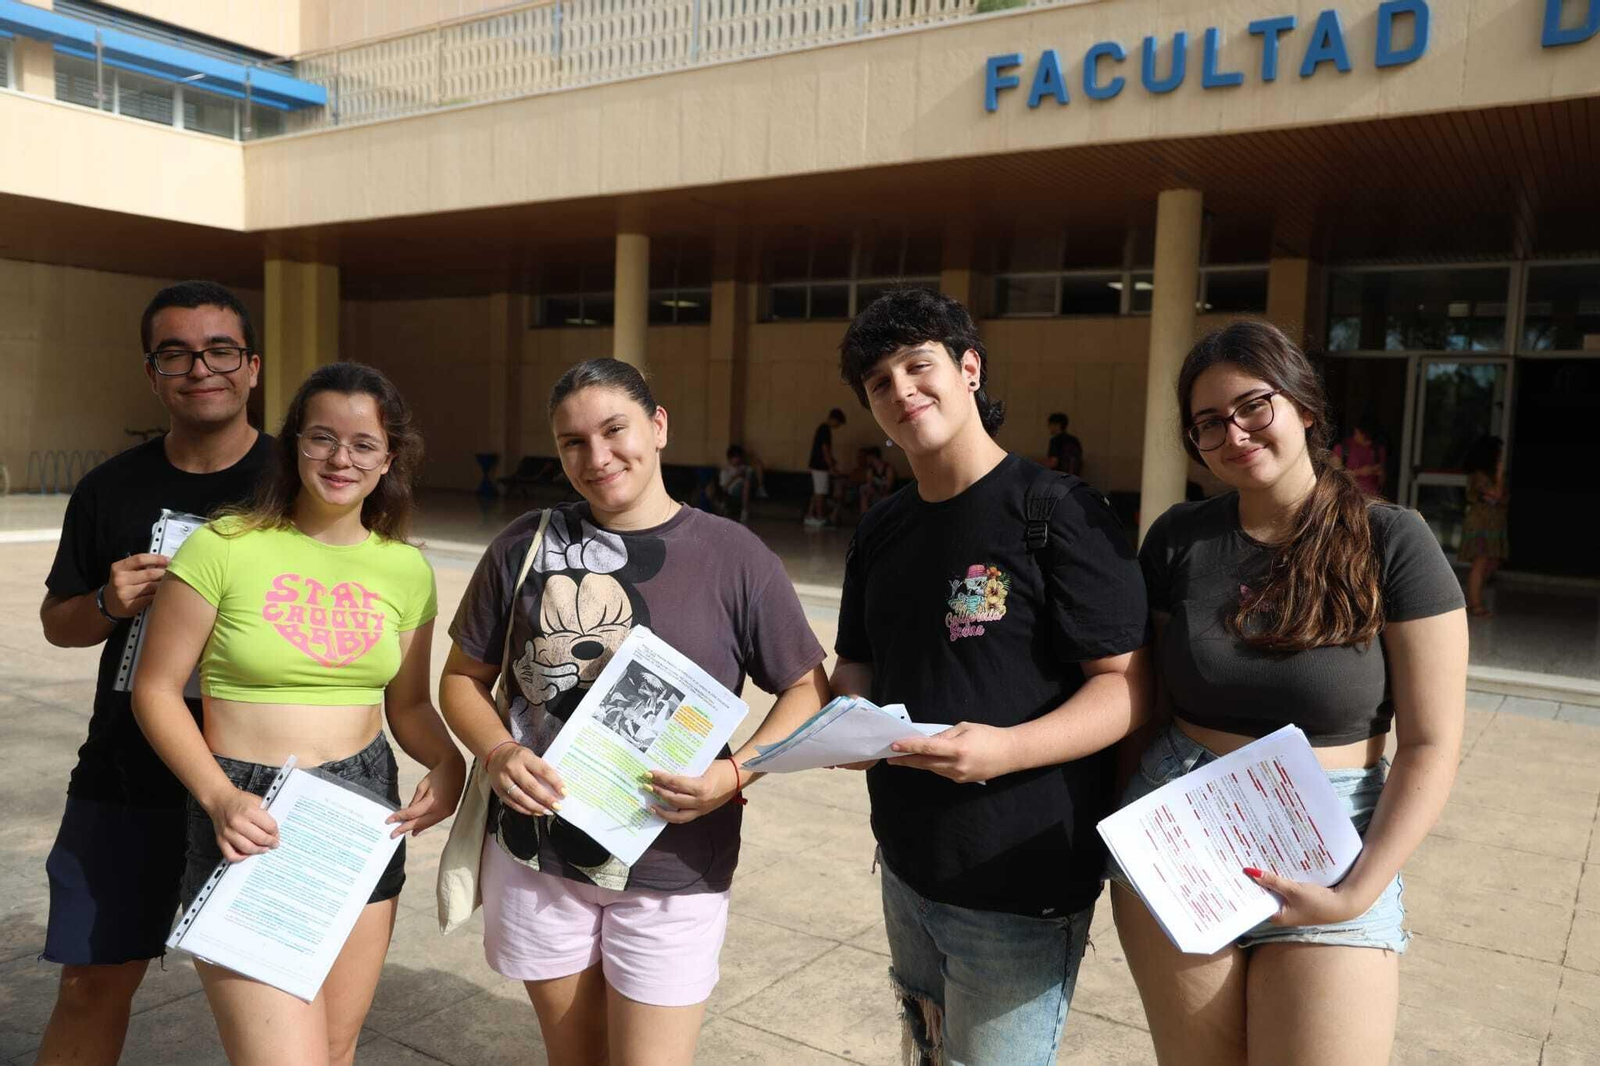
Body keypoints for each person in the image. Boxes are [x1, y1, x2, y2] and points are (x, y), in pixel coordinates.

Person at [438, 358, 830, 1066]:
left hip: (673, 867)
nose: (597, 457)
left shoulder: (734, 556)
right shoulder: (524, 545)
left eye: (614, 430)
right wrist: (496, 753)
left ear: (658, 427)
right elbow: (463, 678)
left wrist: (738, 772)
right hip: (540, 856)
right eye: (572, 443)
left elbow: (806, 689)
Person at [1110, 320, 1467, 1064]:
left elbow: (1432, 743)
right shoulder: (1178, 538)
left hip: (1333, 844)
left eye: (1252, 406)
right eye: (1209, 423)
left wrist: (1358, 891)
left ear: (1304, 406)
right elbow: (1145, 702)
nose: (1234, 433)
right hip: (1183, 828)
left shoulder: (1394, 541)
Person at [830, 289, 1152, 1064]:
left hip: (1018, 881)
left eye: (919, 366)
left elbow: (1130, 687)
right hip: (907, 863)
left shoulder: (1057, 511)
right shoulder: (882, 527)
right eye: (880, 383)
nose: (902, 391)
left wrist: (1005, 750)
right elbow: (857, 666)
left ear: (969, 368)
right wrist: (842, 723)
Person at [131, 362, 466, 1064]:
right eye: (321, 438)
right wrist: (219, 795)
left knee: (337, 1050)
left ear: (388, 460)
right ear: (293, 446)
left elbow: (406, 705)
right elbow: (155, 689)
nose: (341, 459)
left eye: (363, 444)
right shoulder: (223, 546)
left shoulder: (405, 570)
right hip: (246, 809)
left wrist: (448, 762)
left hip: (360, 809)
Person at [35, 281, 274, 1065]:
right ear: (152, 373)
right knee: (91, 984)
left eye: (219, 351)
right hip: (126, 774)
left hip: (262, 777)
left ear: (253, 367)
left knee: (276, 999)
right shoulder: (111, 486)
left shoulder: (296, 484)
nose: (199, 368)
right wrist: (109, 599)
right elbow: (59, 623)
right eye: (175, 353)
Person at [1458, 434, 1508, 618]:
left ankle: (1472, 597)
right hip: (1480, 523)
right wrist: (1500, 473)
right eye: (1499, 453)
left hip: (1493, 524)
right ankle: (1475, 603)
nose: (1501, 457)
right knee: (1480, 563)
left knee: (1492, 562)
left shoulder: (1490, 476)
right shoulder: (1480, 476)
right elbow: (1496, 494)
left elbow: (1502, 498)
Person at [805, 407, 846, 528]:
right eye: (838, 423)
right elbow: (825, 450)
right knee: (820, 492)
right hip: (820, 466)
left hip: (816, 465)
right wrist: (831, 466)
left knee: (817, 491)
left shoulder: (822, 428)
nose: (838, 426)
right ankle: (819, 517)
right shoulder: (825, 430)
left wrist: (832, 461)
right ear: (834, 419)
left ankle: (810, 515)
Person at [1332, 416, 1388, 498]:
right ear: (1357, 432)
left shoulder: (1378, 450)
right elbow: (1335, 477)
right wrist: (1359, 472)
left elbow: (1382, 482)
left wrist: (1380, 473)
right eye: (1366, 439)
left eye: (1370, 440)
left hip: (1372, 498)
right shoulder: (1343, 448)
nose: (1369, 443)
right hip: (1349, 497)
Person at [713, 444, 765, 523]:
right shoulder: (726, 471)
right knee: (744, 483)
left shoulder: (745, 468)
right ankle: (741, 510)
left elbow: (758, 467)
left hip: (749, 490)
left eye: (739, 457)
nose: (738, 459)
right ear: (730, 458)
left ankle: (745, 511)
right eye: (735, 457)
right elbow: (724, 488)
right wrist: (735, 477)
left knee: (748, 478)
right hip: (733, 495)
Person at [1046, 411, 1084, 476]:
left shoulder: (1055, 440)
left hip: (1059, 478)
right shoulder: (1074, 440)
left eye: (1050, 424)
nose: (1049, 427)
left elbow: (1053, 463)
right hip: (1074, 478)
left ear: (1057, 425)